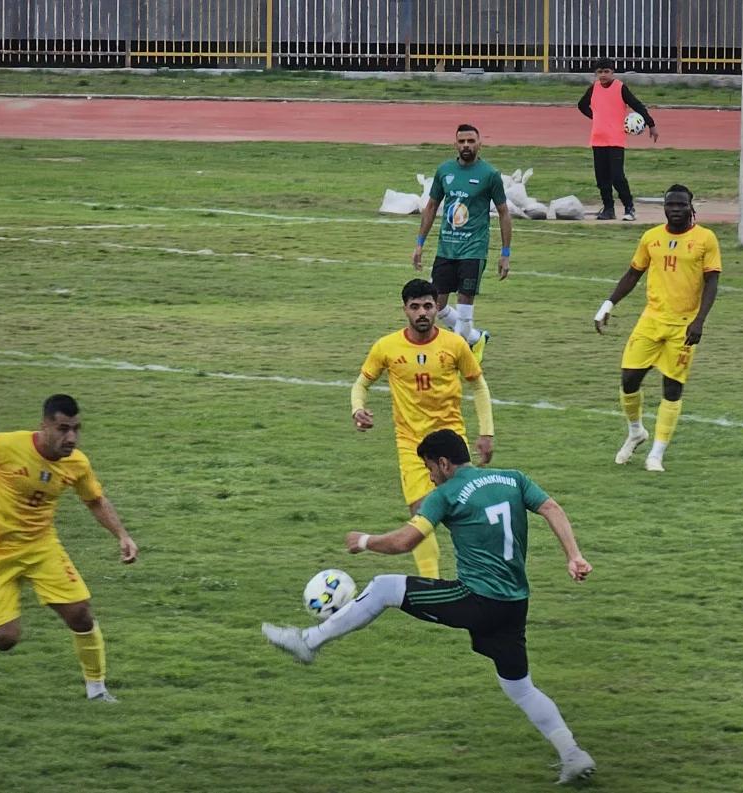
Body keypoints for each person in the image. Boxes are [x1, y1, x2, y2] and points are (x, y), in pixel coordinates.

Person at [262, 429, 596, 784]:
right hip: (514, 603)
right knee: (520, 687)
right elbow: (551, 508)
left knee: (384, 587)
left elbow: (405, 542)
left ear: (444, 463)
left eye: (429, 469)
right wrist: (573, 556)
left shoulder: (446, 495)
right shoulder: (513, 479)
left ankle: (309, 642)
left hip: (476, 598)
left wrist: (364, 541)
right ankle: (573, 755)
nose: (431, 477)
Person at [0, 394, 138, 701]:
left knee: (81, 614)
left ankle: (97, 691)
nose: (72, 438)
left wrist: (122, 535)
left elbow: (94, 500)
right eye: (63, 429)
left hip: (41, 547)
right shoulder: (3, 446)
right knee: (5, 639)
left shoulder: (77, 463)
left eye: (77, 429)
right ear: (44, 425)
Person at [351, 279, 495, 579]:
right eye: (415, 307)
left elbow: (478, 385)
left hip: (451, 442)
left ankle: (483, 573)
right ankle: (432, 582)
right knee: (420, 514)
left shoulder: (454, 344)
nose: (422, 313)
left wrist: (486, 432)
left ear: (436, 308)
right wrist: (358, 408)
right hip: (411, 444)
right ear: (405, 309)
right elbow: (362, 383)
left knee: (466, 511)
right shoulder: (387, 347)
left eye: (428, 306)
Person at [594, 184, 720, 472]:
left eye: (681, 205)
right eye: (670, 205)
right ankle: (636, 431)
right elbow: (633, 274)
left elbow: (712, 281)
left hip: (683, 327)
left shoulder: (705, 239)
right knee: (629, 379)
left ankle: (656, 454)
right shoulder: (651, 237)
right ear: (664, 207)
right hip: (650, 321)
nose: (675, 209)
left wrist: (699, 320)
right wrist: (608, 304)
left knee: (672, 387)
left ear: (691, 207)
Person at [412, 123, 512, 363]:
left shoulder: (490, 174)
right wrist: (420, 243)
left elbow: (504, 213)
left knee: (465, 307)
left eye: (471, 141)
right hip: (446, 249)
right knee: (436, 306)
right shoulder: (445, 170)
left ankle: (453, 359)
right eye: (462, 141)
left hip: (473, 251)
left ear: (479, 144)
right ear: (455, 144)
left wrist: (505, 253)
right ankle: (476, 338)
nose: (466, 145)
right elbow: (431, 206)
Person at [578, 57, 660, 221]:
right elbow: (582, 105)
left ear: (612, 72)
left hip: (615, 140)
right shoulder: (593, 89)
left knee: (617, 176)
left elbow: (637, 105)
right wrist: (595, 117)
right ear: (595, 74)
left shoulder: (620, 88)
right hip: (598, 139)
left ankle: (629, 208)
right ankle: (608, 208)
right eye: (600, 72)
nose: (603, 75)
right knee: (602, 178)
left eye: (606, 71)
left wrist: (651, 124)